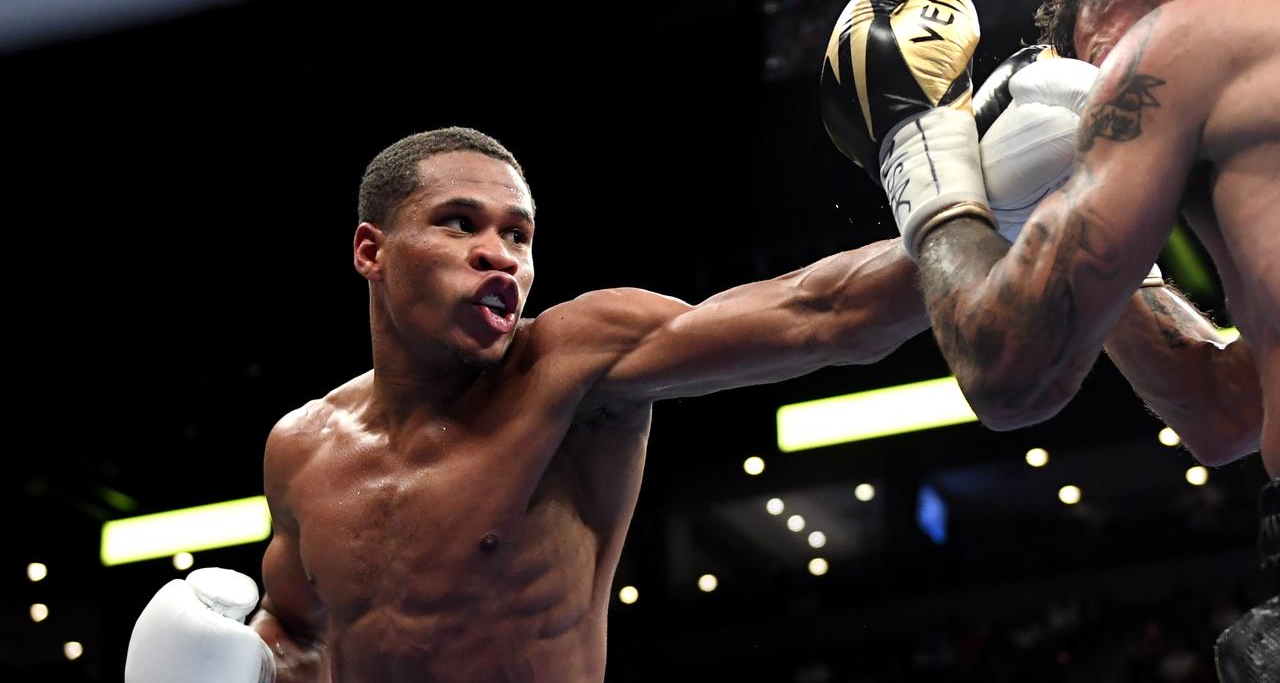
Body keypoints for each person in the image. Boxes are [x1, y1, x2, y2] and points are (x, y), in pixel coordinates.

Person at [124, 126, 933, 683]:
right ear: (371, 251)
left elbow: (821, 313)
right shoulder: (301, 448)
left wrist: (962, 212)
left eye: (519, 235)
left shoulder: (574, 365)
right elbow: (297, 631)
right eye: (459, 224)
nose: (499, 256)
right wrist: (247, 663)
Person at [816, 0, 1277, 679]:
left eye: (1112, 63)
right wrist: (1103, 244)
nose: (1099, 127)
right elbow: (1229, 412)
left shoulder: (1189, 48)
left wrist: (921, 150)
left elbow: (1010, 375)